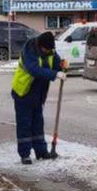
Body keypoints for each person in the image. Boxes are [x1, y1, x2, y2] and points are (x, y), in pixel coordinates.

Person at [10, 31, 65, 164]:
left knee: (38, 124)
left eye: (50, 49)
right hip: (23, 92)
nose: (48, 51)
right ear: (40, 45)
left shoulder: (49, 50)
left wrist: (62, 66)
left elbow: (56, 63)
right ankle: (25, 154)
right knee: (25, 125)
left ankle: (41, 152)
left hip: (39, 93)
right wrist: (54, 74)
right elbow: (34, 69)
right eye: (46, 49)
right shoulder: (29, 50)